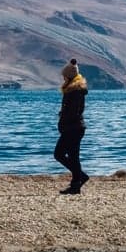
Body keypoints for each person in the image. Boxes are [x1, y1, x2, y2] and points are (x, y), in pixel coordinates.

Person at [54, 58, 89, 194]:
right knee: (73, 156)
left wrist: (63, 123)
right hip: (74, 127)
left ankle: (80, 177)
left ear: (68, 76)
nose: (63, 78)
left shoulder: (75, 91)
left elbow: (73, 112)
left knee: (59, 154)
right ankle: (76, 183)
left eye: (64, 76)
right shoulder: (74, 90)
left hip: (73, 128)